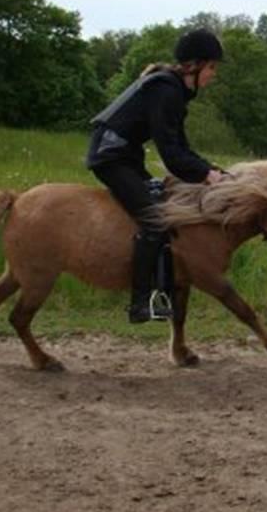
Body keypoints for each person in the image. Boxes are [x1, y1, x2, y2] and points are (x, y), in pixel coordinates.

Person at [86, 28, 225, 322]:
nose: (214, 75)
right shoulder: (166, 91)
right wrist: (206, 175)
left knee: (163, 207)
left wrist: (212, 171)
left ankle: (164, 291)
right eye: (212, 67)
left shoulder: (174, 92)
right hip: (110, 158)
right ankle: (139, 303)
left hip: (125, 157)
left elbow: (181, 147)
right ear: (194, 66)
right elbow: (172, 156)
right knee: (155, 219)